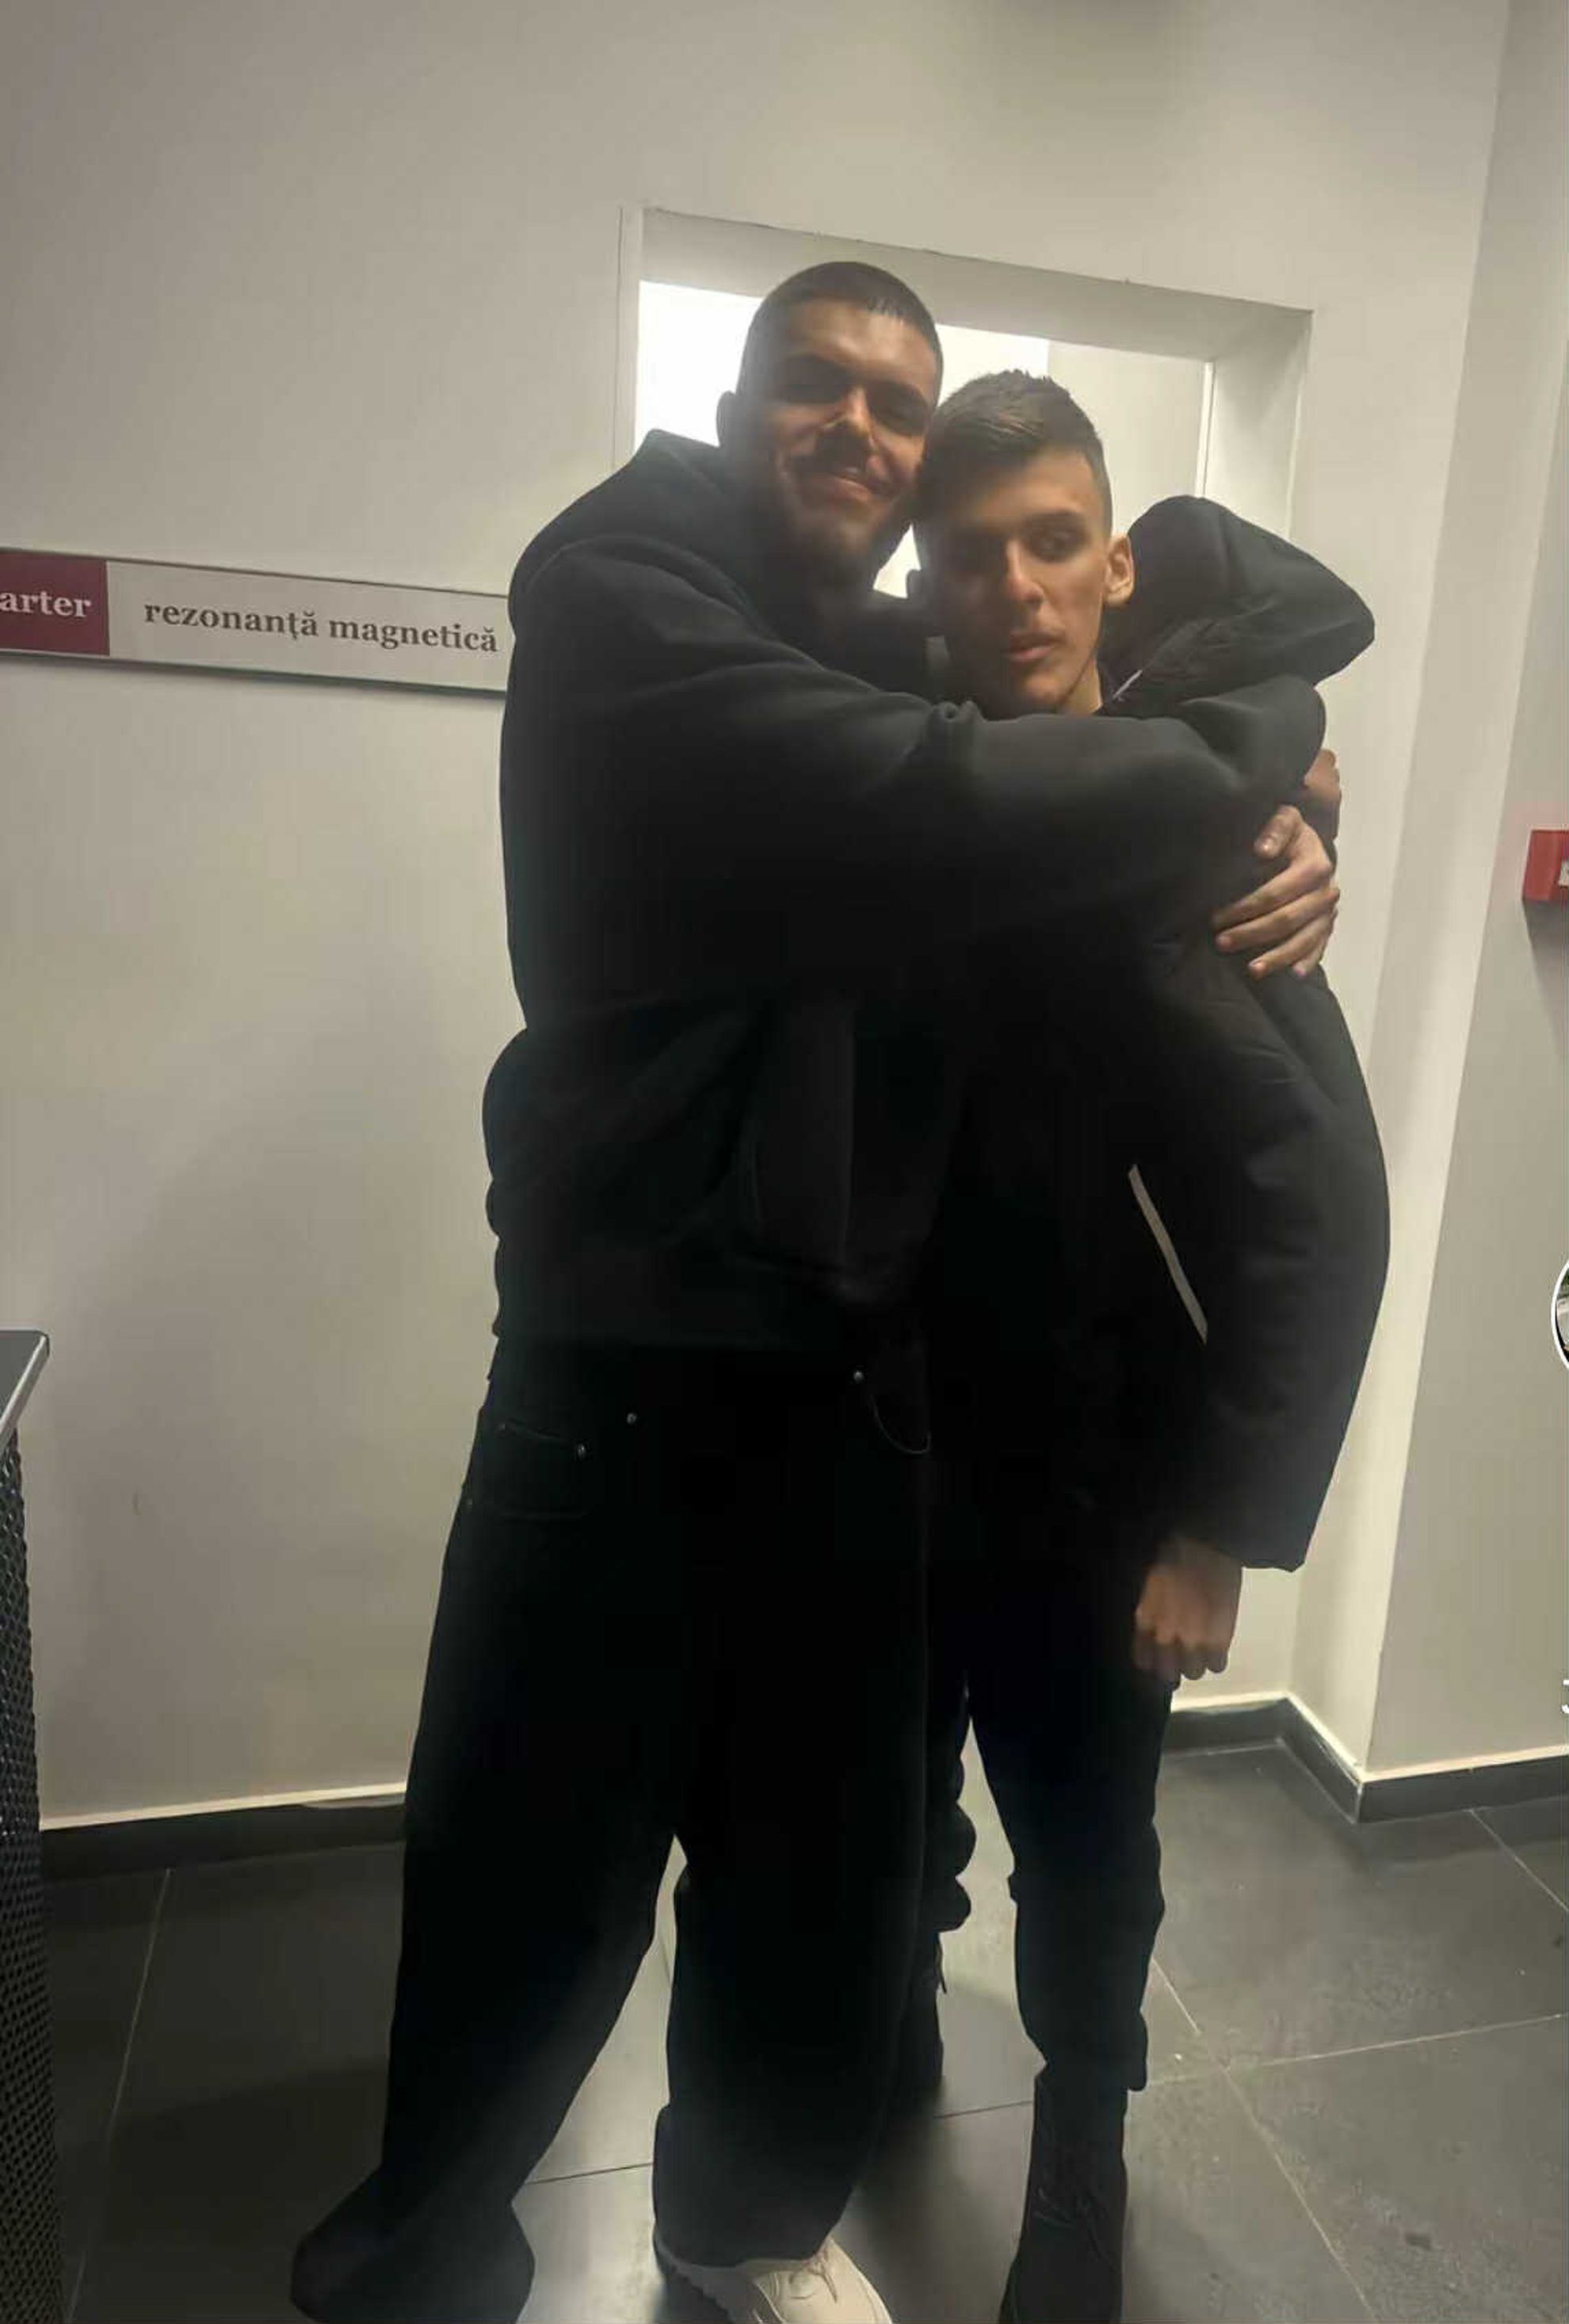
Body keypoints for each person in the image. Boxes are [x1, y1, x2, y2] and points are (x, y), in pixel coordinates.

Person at [291, 267, 1334, 2324]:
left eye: (897, 407)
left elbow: (1149, 630)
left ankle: (741, 2229)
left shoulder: (857, 631)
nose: (859, 430)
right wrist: (1253, 747)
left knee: (813, 1887)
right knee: (530, 1880)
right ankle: (413, 2270)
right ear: (734, 399)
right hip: (622, 1386)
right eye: (817, 386)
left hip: (852, 1398)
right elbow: (948, 788)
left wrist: (1289, 775)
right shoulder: (634, 598)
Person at [896, 372, 1390, 2324]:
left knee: (1088, 1854)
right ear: (926, 585)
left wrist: (1217, 1529)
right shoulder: (892, 783)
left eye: (1054, 543)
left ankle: (1082, 2137)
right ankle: (888, 2015)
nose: (1016, 588)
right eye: (974, 555)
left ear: (1118, 563)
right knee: (883, 1802)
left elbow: (1319, 1211)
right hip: (889, 1438)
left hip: (1102, 1481)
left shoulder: (1202, 837)